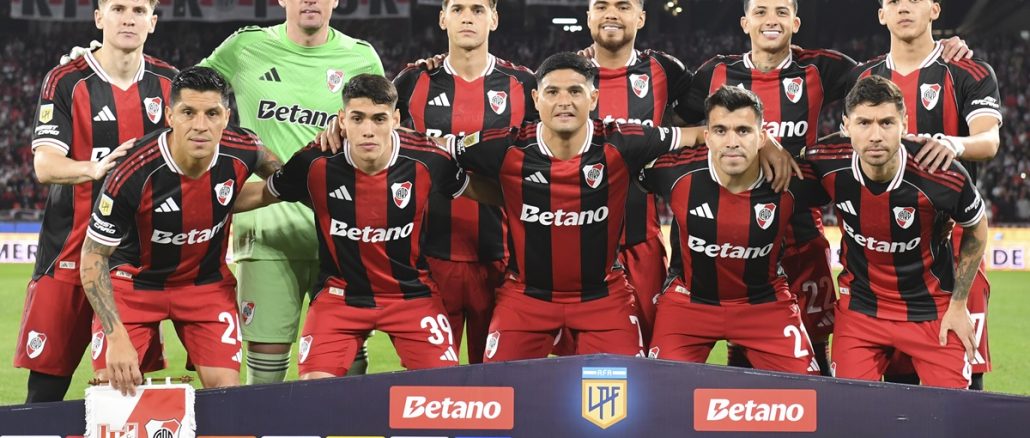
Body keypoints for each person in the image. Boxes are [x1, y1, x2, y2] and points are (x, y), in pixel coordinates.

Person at [682, 0, 972, 374]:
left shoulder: (821, 68)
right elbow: (683, 128)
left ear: (796, 22)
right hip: (737, 232)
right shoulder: (714, 73)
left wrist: (941, 51)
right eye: (761, 12)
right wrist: (762, 142)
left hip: (801, 233)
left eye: (781, 12)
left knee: (815, 346)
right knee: (744, 337)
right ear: (744, 22)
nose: (771, 20)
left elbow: (882, 81)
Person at [446, 52, 747, 361]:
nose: (564, 101)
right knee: (501, 392)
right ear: (536, 98)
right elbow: (440, 150)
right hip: (526, 297)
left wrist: (768, 146)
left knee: (627, 391)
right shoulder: (505, 146)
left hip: (602, 297)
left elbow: (699, 134)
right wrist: (465, 187)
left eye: (575, 91)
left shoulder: (621, 141)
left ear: (593, 98)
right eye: (552, 92)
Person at [235, 74, 495, 377]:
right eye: (358, 118)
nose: (368, 130)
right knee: (314, 391)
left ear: (396, 119)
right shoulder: (314, 162)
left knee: (440, 392)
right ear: (342, 120)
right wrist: (205, 202)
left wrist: (546, 202)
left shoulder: (428, 159)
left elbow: (481, 190)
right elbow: (264, 193)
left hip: (411, 297)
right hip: (340, 297)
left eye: (379, 119)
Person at [198, 0, 386, 383]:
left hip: (340, 235)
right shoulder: (245, 48)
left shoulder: (361, 56)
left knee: (345, 365)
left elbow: (386, 134)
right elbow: (184, 92)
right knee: (265, 371)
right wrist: (110, 55)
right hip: (267, 231)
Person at [81, 67, 283, 395]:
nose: (201, 125)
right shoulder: (132, 171)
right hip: (134, 286)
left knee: (227, 398)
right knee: (112, 392)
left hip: (205, 287)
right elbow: (92, 257)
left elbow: (283, 179)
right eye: (188, 112)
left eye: (212, 113)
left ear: (227, 116)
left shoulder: (245, 148)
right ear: (169, 115)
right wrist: (115, 337)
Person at [14, 0, 176, 402]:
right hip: (68, 252)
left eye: (139, 10)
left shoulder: (171, 83)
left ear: (152, 22)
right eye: (117, 8)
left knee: (123, 390)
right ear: (99, 18)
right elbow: (46, 165)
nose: (128, 17)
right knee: (46, 389)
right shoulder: (67, 79)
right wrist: (96, 168)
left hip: (131, 263)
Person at [845, 0, 1001, 389]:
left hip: (955, 245)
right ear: (881, 14)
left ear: (934, 9)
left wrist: (951, 143)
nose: (904, 7)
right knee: (899, 382)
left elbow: (989, 139)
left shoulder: (967, 71)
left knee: (965, 373)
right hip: (883, 254)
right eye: (893, 1)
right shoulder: (864, 77)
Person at [806, 75, 987, 389]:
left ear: (904, 123)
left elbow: (976, 228)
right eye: (864, 123)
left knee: (950, 416)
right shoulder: (823, 162)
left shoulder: (941, 174)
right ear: (846, 126)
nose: (875, 135)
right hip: (861, 312)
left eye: (887, 123)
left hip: (932, 312)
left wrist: (959, 305)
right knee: (851, 414)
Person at [391, 0, 536, 364]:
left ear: (494, 18)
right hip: (428, 259)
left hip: (504, 262)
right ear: (442, 18)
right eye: (457, 9)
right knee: (432, 388)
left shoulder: (524, 84)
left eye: (477, 8)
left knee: (500, 389)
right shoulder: (413, 81)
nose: (467, 17)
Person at [642, 85, 819, 374]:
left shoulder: (794, 179)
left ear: (763, 137)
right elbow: (618, 158)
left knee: (808, 398)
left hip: (765, 306)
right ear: (707, 137)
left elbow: (849, 165)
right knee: (661, 392)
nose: (732, 142)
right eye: (721, 131)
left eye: (744, 131)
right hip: (688, 304)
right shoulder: (672, 172)